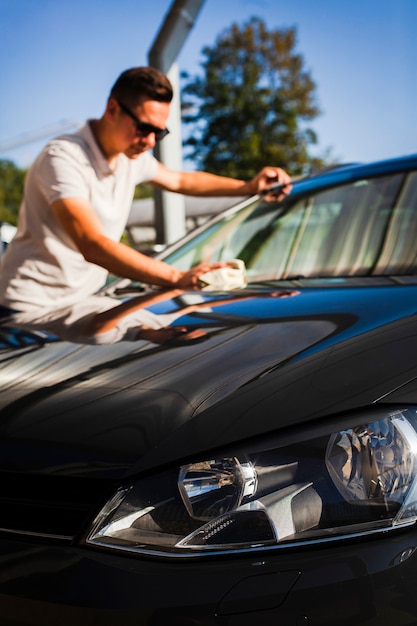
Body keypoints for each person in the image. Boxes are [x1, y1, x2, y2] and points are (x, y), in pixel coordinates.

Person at [0, 66, 291, 315]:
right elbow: (91, 243)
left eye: (159, 133)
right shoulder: (63, 157)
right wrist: (177, 276)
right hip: (24, 309)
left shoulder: (131, 158)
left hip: (82, 306)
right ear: (112, 109)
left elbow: (181, 181)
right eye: (144, 128)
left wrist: (248, 187)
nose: (151, 141)